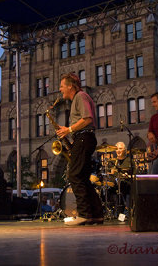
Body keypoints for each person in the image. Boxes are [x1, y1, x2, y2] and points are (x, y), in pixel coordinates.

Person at [56, 73, 103, 225]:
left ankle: (84, 214)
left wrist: (68, 130)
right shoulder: (79, 98)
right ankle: (96, 214)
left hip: (84, 138)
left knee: (74, 175)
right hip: (83, 138)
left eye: (62, 85)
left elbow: (87, 118)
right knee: (83, 178)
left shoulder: (81, 96)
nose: (60, 89)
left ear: (70, 86)